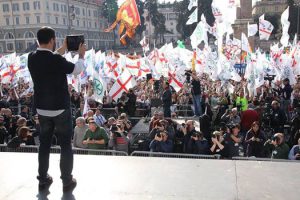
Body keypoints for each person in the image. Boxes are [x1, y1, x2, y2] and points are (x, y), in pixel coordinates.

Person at [28, 26, 86, 192]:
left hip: (42, 109)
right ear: (52, 40)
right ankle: (67, 181)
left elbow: (50, 58)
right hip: (60, 109)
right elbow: (77, 70)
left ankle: (43, 180)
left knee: (44, 145)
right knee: (65, 146)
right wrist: (81, 55)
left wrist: (64, 48)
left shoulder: (31, 57)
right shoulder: (56, 60)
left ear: (38, 40)